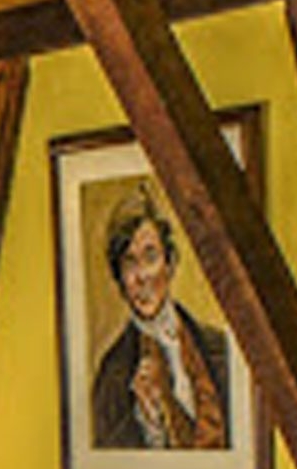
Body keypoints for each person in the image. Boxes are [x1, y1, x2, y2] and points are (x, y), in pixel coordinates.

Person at [88, 188, 232, 450]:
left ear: (170, 263)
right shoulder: (111, 376)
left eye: (151, 257)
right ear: (119, 278)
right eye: (129, 263)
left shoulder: (219, 347)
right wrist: (150, 426)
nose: (141, 276)